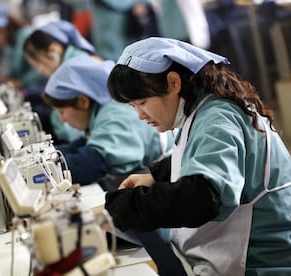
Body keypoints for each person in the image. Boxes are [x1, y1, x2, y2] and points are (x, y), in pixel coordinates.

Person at [104, 37, 291, 275]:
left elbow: (202, 197)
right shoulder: (203, 107)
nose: (140, 115)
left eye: (142, 102)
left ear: (173, 82)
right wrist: (155, 176)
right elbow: (203, 154)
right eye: (133, 106)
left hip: (260, 265)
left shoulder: (217, 119)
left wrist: (128, 206)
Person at [44, 54, 172, 188]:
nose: (62, 119)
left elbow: (89, 164)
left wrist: (42, 173)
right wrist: (46, 156)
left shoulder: (114, 116)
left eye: (62, 112)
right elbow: (83, 144)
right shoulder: (102, 111)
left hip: (163, 175)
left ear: (83, 101)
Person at [23, 20, 101, 143]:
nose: (39, 71)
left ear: (53, 51)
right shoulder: (67, 67)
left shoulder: (74, 69)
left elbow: (73, 129)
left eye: (38, 64)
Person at [0, 5, 46, 94]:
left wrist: (21, 82)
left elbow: (43, 69)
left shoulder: (25, 36)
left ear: (2, 30)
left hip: (40, 88)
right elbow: (15, 70)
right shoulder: (9, 44)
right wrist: (5, 78)